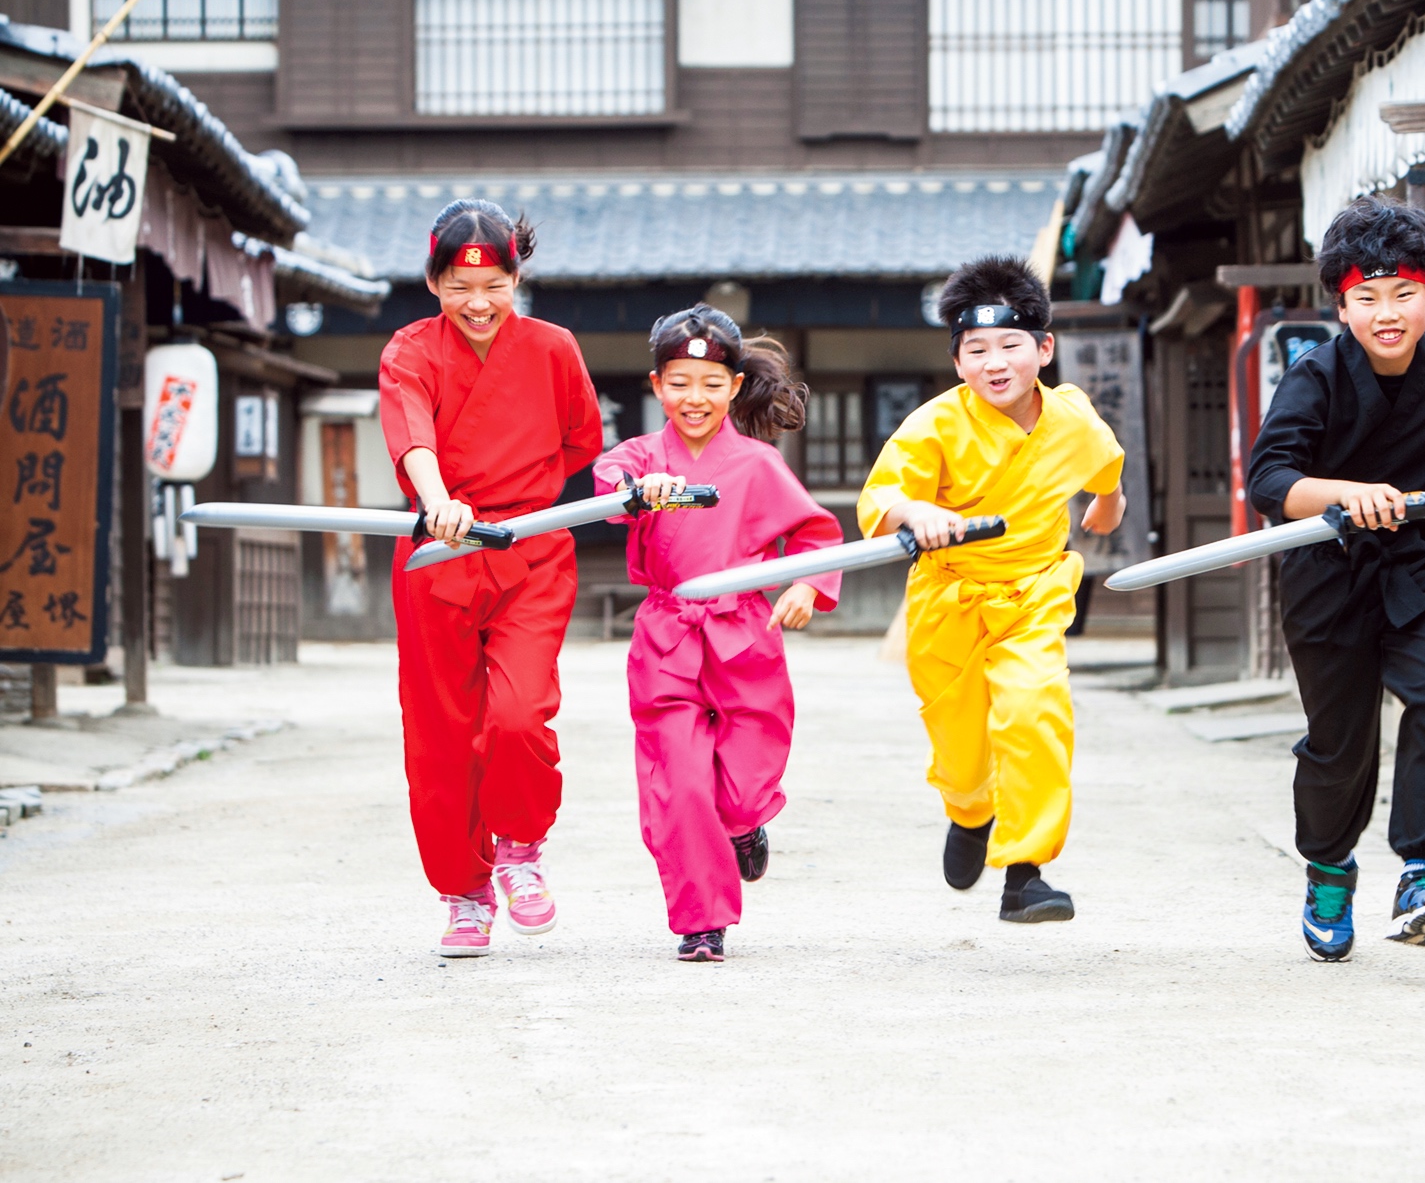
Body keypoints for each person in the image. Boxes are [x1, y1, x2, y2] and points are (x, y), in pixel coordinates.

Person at [1246, 194, 1425, 963]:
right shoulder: (1314, 379)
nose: (1387, 313)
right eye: (1366, 298)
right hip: (1330, 571)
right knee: (1340, 745)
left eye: (1404, 295)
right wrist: (1349, 495)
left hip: (1422, 564)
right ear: (1343, 304)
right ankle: (1329, 868)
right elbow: (1269, 482)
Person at [857, 256, 1125, 924]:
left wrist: (1108, 504)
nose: (995, 362)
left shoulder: (1072, 418)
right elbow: (882, 497)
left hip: (1033, 594)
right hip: (950, 599)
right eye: (976, 349)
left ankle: (1026, 872)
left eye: (1010, 345)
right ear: (957, 362)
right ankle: (970, 812)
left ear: (1044, 348)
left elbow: (1107, 466)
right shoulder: (934, 425)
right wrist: (918, 513)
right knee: (962, 745)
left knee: (1035, 712)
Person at [379, 199, 604, 957]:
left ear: (516, 276)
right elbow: (411, 432)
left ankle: (520, 848)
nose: (478, 303)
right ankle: (463, 891)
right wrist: (439, 501)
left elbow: (579, 439)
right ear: (435, 281)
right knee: (440, 733)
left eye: (496, 284)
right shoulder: (409, 350)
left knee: (517, 713)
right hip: (437, 550)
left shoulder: (553, 348)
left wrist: (515, 498)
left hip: (530, 548)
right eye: (459, 285)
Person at [593, 306, 842, 963]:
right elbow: (606, 480)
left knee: (741, 786)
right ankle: (700, 921)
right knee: (679, 782)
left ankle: (745, 825)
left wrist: (804, 587)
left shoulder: (758, 464)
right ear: (656, 385)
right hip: (669, 635)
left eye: (709, 382)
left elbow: (816, 534)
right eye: (679, 382)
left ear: (733, 387)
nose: (693, 397)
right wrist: (639, 491)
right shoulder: (643, 458)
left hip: (743, 634)